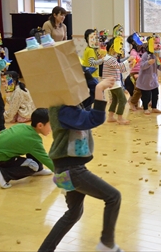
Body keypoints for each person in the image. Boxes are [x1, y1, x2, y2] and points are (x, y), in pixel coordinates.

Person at [38, 77, 125, 252]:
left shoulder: (69, 106)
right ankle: (106, 244)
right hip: (71, 171)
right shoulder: (62, 111)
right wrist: (100, 89)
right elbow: (94, 118)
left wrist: (91, 80)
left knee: (73, 214)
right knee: (113, 196)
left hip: (65, 170)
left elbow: (87, 93)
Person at [0, 108, 54, 189]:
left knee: (33, 149)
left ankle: (39, 170)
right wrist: (62, 172)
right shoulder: (34, 141)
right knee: (33, 166)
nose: (52, 129)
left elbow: (4, 133)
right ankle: (4, 174)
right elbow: (46, 159)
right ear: (40, 125)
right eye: (51, 125)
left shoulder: (23, 126)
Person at [103, 36, 129, 125]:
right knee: (123, 99)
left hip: (114, 83)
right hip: (114, 83)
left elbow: (119, 69)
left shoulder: (109, 58)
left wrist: (128, 63)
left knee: (115, 100)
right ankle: (120, 118)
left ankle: (110, 116)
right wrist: (128, 61)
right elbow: (119, 66)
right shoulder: (109, 59)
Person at [136, 35, 161, 114]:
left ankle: (154, 107)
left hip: (153, 79)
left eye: (159, 43)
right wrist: (148, 62)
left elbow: (159, 67)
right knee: (146, 95)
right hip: (145, 80)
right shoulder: (146, 55)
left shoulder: (157, 55)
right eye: (156, 43)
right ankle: (145, 108)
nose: (158, 45)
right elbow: (142, 66)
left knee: (155, 94)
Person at [125, 33, 146, 110]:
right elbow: (136, 60)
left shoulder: (143, 51)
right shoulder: (133, 51)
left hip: (143, 72)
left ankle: (137, 104)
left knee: (142, 88)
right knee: (138, 88)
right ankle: (132, 103)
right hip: (135, 72)